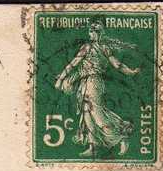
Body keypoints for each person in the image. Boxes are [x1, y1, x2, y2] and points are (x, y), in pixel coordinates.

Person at [53, 20, 140, 158]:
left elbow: (116, 64)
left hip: (93, 82)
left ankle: (121, 137)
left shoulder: (100, 48)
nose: (93, 34)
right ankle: (93, 147)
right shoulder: (88, 47)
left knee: (98, 114)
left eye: (96, 32)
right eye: (92, 32)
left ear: (100, 34)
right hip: (85, 83)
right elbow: (74, 63)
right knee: (87, 114)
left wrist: (130, 72)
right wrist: (62, 78)